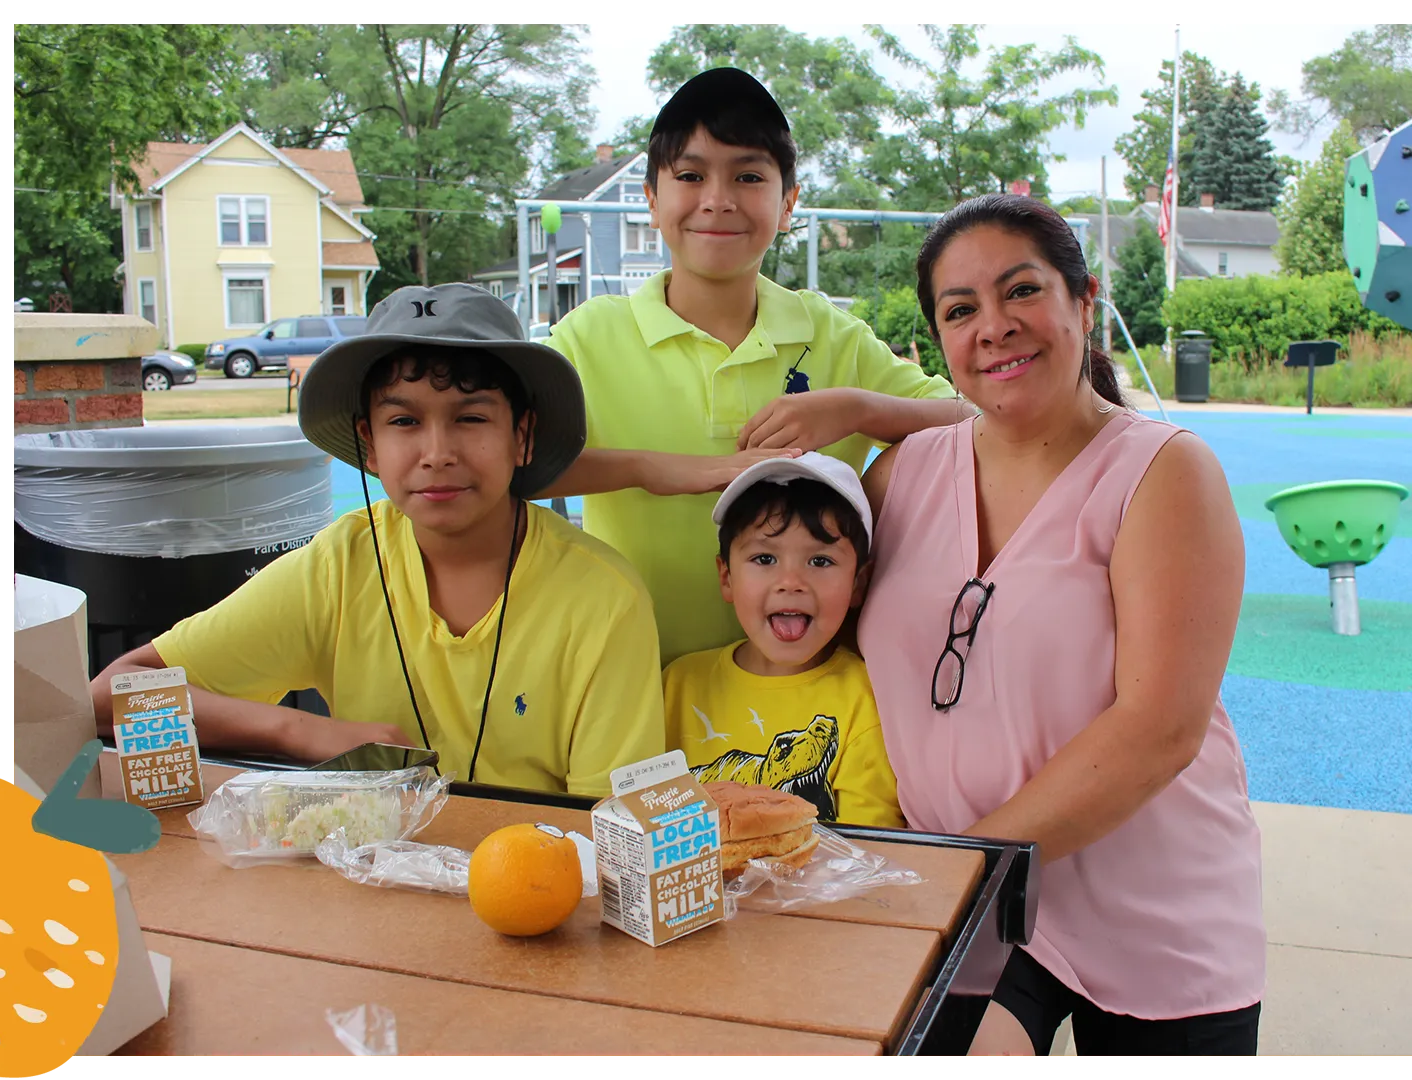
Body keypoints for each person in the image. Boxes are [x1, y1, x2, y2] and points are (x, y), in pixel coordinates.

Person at [856, 195, 1265, 1055]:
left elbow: (1160, 729)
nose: (994, 327)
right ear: (940, 342)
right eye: (961, 311)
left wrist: (954, 863)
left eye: (1021, 292)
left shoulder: (1162, 473)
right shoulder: (898, 479)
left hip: (1144, 900)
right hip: (976, 912)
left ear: (1084, 302)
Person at [90, 283, 666, 798]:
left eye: (470, 419)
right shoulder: (339, 569)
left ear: (523, 436)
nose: (437, 453)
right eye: (404, 422)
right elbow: (112, 696)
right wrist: (299, 729)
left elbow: (607, 823)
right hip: (365, 884)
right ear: (368, 443)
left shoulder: (603, 598)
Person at [537, 67, 974, 665]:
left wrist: (857, 408)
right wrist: (655, 468)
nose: (718, 200)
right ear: (650, 199)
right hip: (640, 691)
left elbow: (976, 418)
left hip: (804, 710)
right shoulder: (589, 337)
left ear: (788, 202)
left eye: (748, 176)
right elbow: (512, 468)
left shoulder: (832, 336)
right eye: (690, 176)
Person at [663, 453, 903, 828]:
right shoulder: (678, 684)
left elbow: (869, 846)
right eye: (764, 558)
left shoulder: (869, 697)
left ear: (858, 583)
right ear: (726, 576)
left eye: (820, 561)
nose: (791, 581)